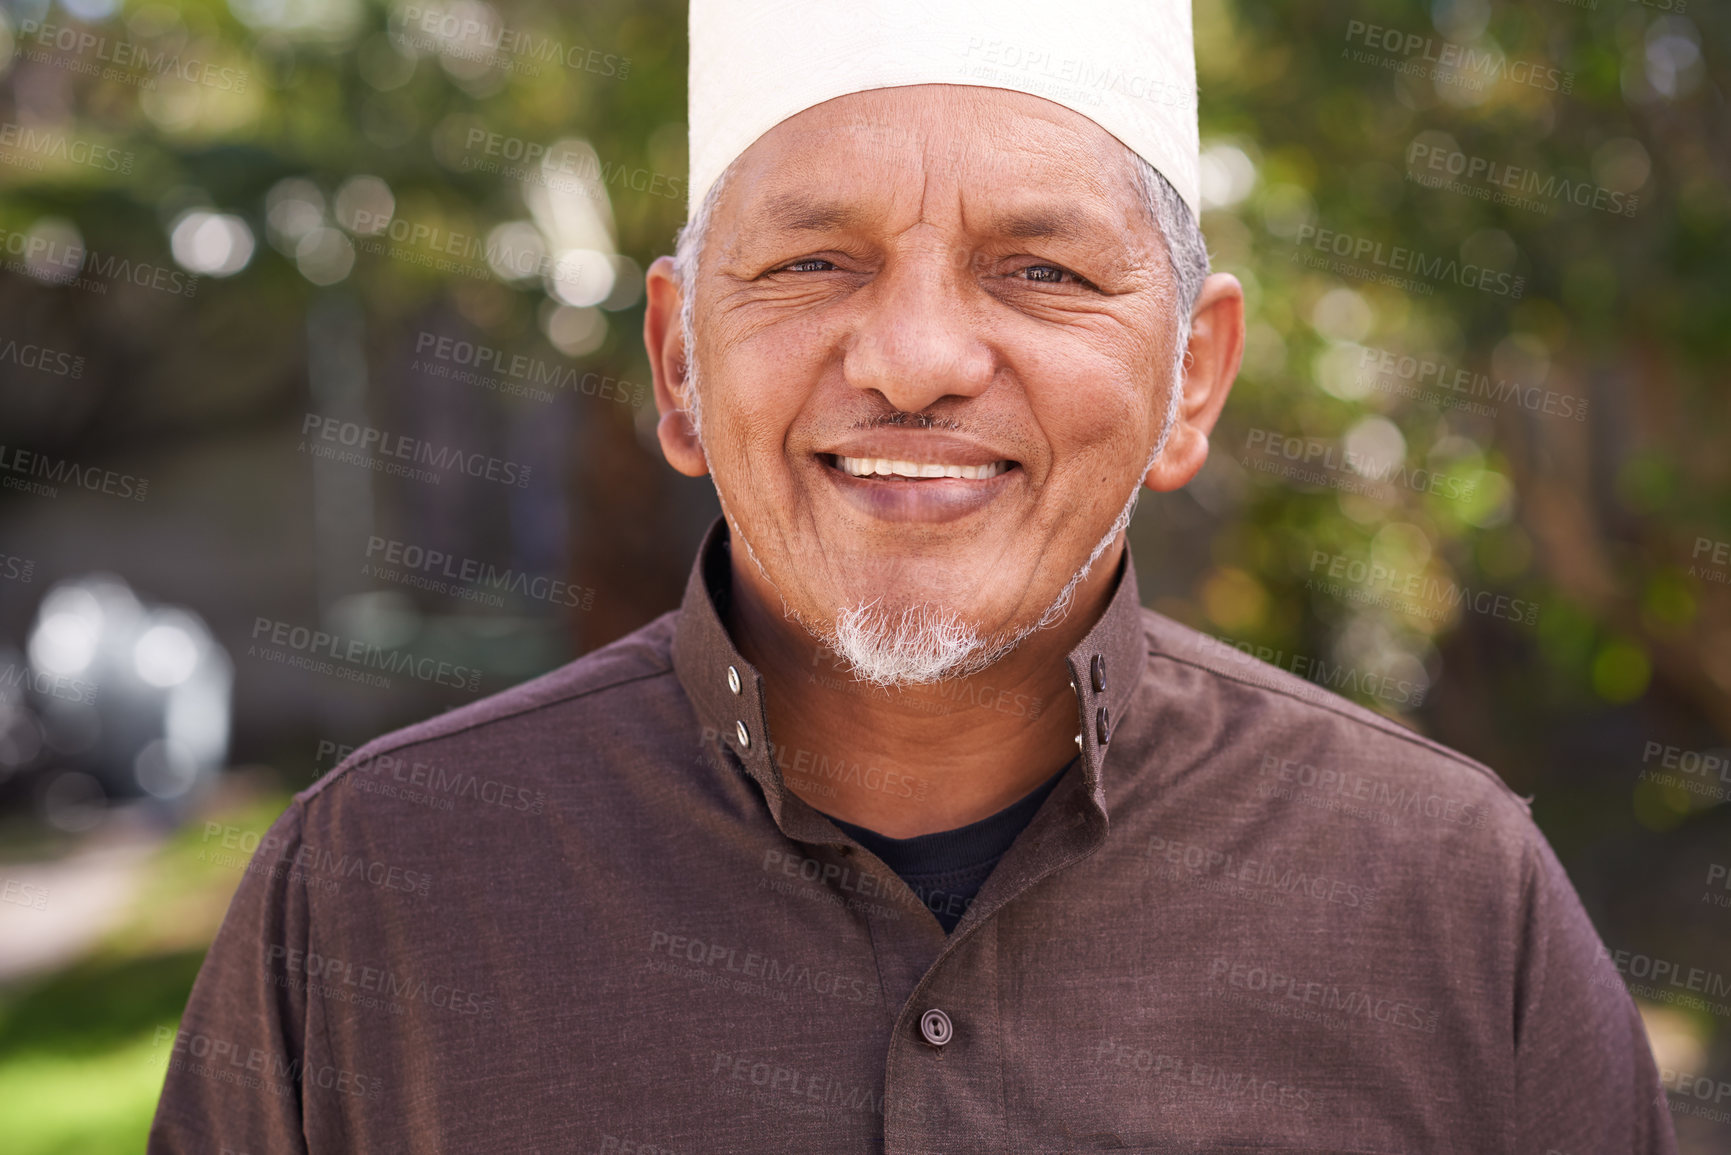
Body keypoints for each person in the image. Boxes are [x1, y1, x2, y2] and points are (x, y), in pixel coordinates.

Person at [151, 1, 1677, 1151]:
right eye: (813, 263)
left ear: (1192, 381)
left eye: (1044, 270)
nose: (918, 360)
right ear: (679, 366)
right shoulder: (379, 892)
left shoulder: (1446, 895)